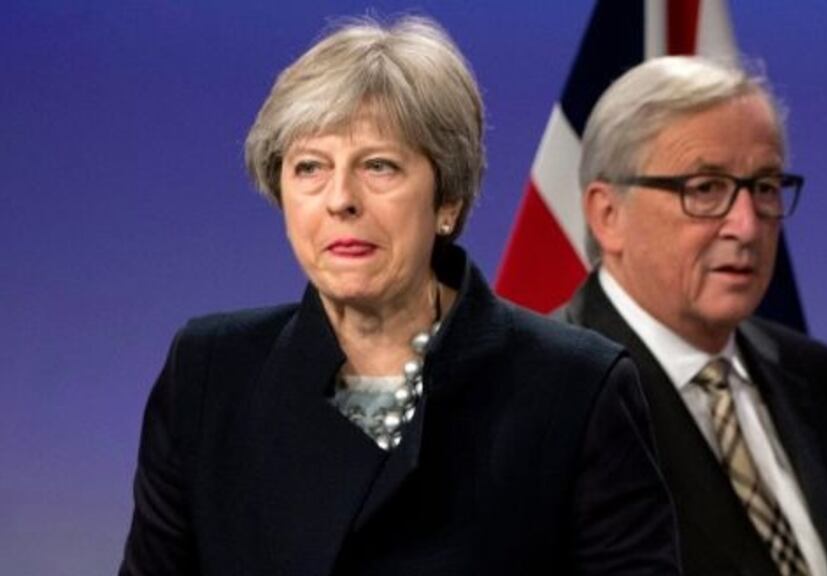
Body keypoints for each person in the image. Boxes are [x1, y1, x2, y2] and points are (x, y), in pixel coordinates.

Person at [119, 16, 680, 576]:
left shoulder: (577, 388)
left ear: (448, 201)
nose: (341, 199)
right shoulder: (209, 374)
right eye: (310, 167)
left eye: (379, 166)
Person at [561, 56, 827, 576]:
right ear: (608, 214)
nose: (746, 225)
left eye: (764, 187)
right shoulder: (541, 393)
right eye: (705, 188)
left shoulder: (821, 379)